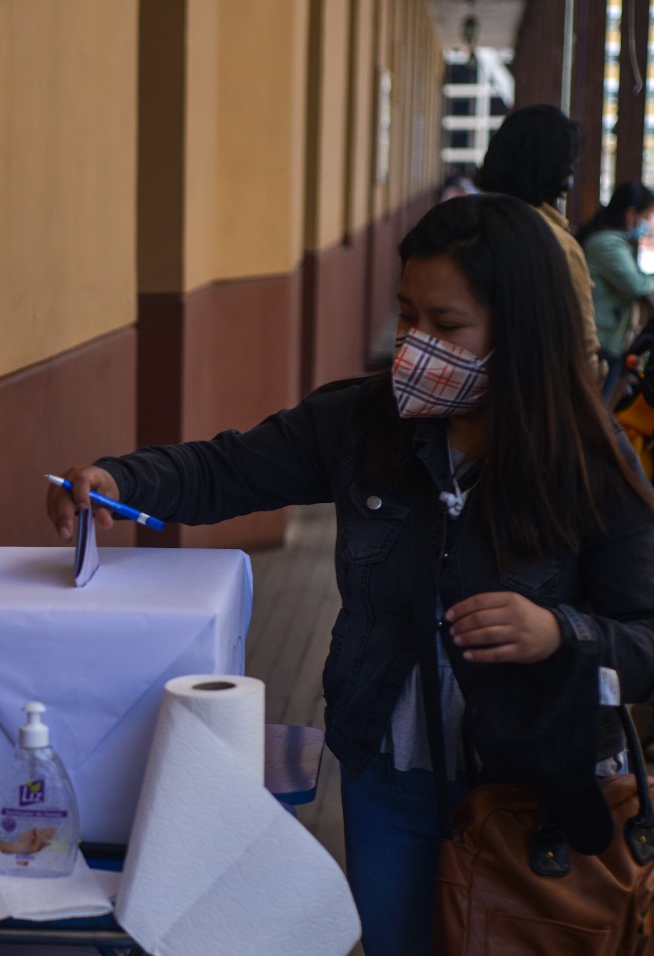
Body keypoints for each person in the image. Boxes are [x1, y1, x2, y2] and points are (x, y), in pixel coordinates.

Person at [47, 195, 654, 954]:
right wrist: (119, 479)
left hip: (536, 798)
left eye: (447, 325)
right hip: (387, 781)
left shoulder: (590, 462)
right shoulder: (366, 424)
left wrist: (558, 633)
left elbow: (645, 638)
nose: (416, 345)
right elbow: (228, 468)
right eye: (407, 316)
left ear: (520, 332)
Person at [476, 103, 603, 378]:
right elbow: (583, 349)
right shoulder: (556, 244)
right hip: (534, 401)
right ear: (561, 172)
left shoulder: (464, 223)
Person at [577, 180, 654, 399]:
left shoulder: (612, 240)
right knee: (595, 406)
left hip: (608, 339)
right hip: (599, 339)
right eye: (647, 216)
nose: (648, 223)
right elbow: (636, 285)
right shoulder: (608, 244)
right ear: (631, 214)